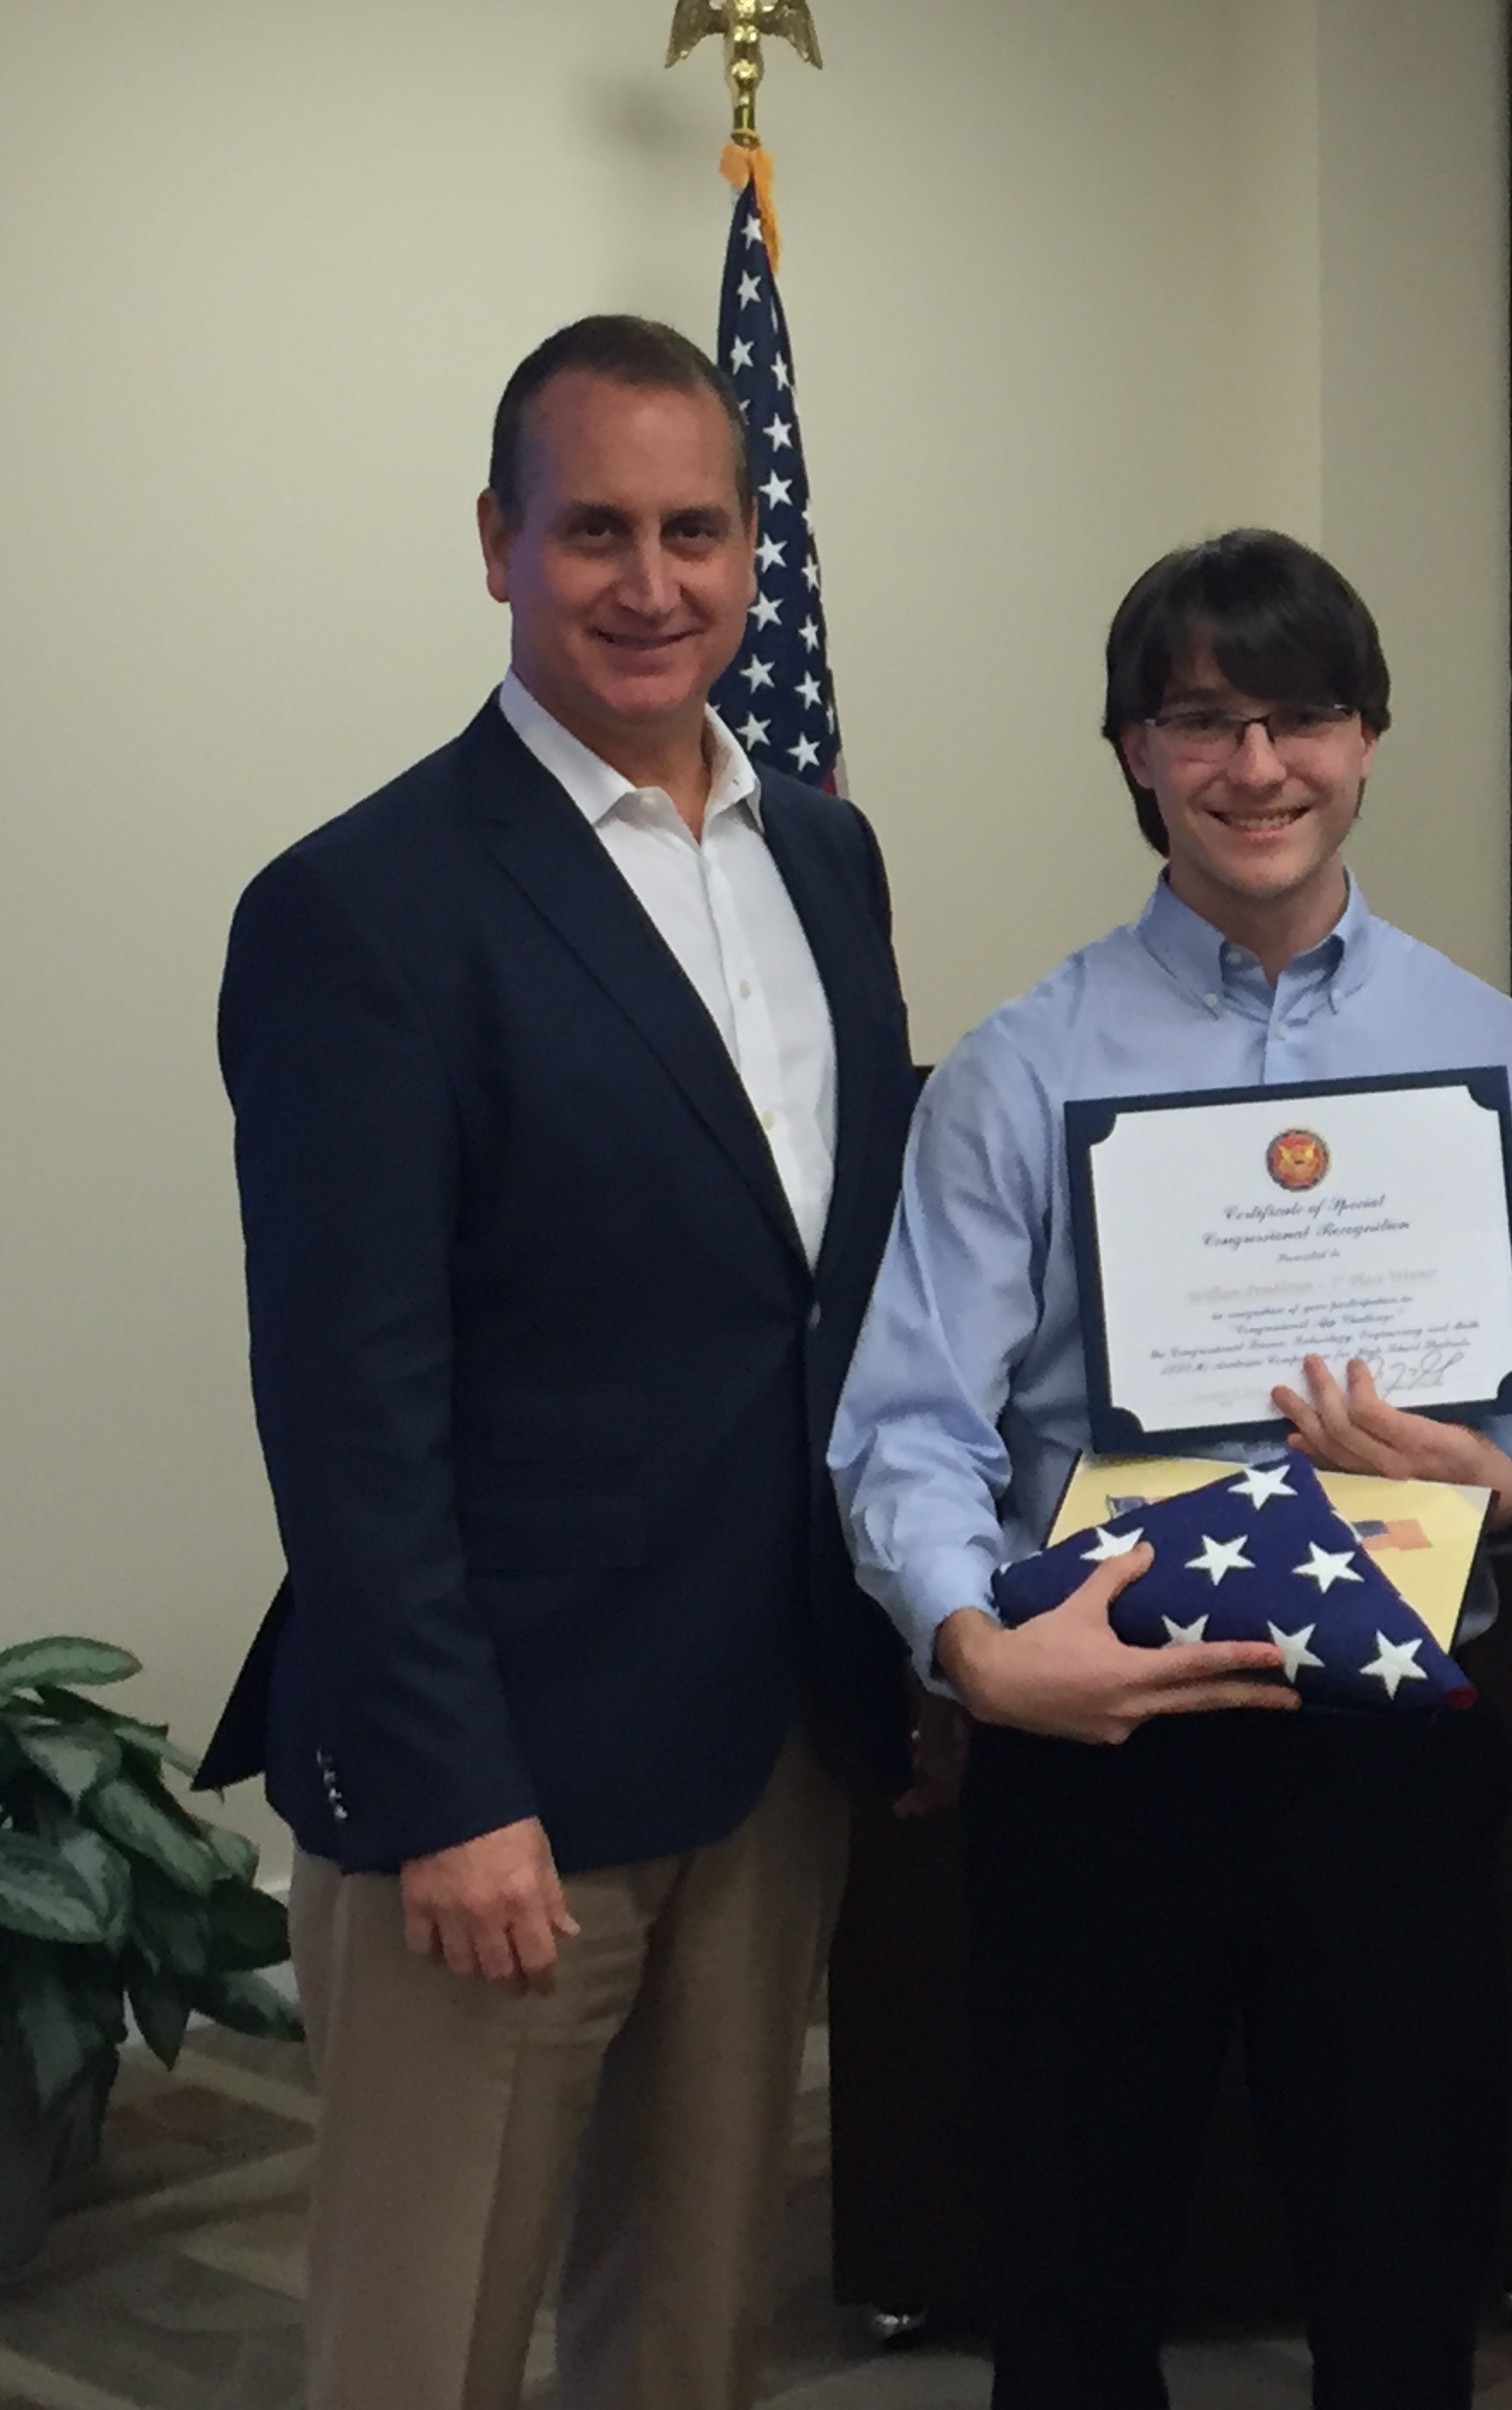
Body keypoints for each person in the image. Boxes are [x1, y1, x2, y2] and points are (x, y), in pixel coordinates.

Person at [203, 315, 917, 2408]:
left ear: (751, 551)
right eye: (591, 526)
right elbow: (350, 1403)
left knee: (686, 2330)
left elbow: (825, 1299)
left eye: (696, 528)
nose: (649, 578)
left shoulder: (824, 855)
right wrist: (451, 1793)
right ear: (496, 543)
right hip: (497, 1780)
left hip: (770, 1734)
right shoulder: (363, 909)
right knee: (427, 2340)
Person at [827, 529, 1512, 2410]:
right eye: (1205, 720)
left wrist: (1500, 1476)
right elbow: (911, 1420)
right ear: (1134, 752)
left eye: (1302, 715)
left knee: (1406, 2278)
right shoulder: (1019, 1072)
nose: (1260, 767)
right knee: (1073, 2286)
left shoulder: (1506, 1064)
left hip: (1389, 1746)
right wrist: (970, 1649)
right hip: (1102, 1750)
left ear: (1371, 736)